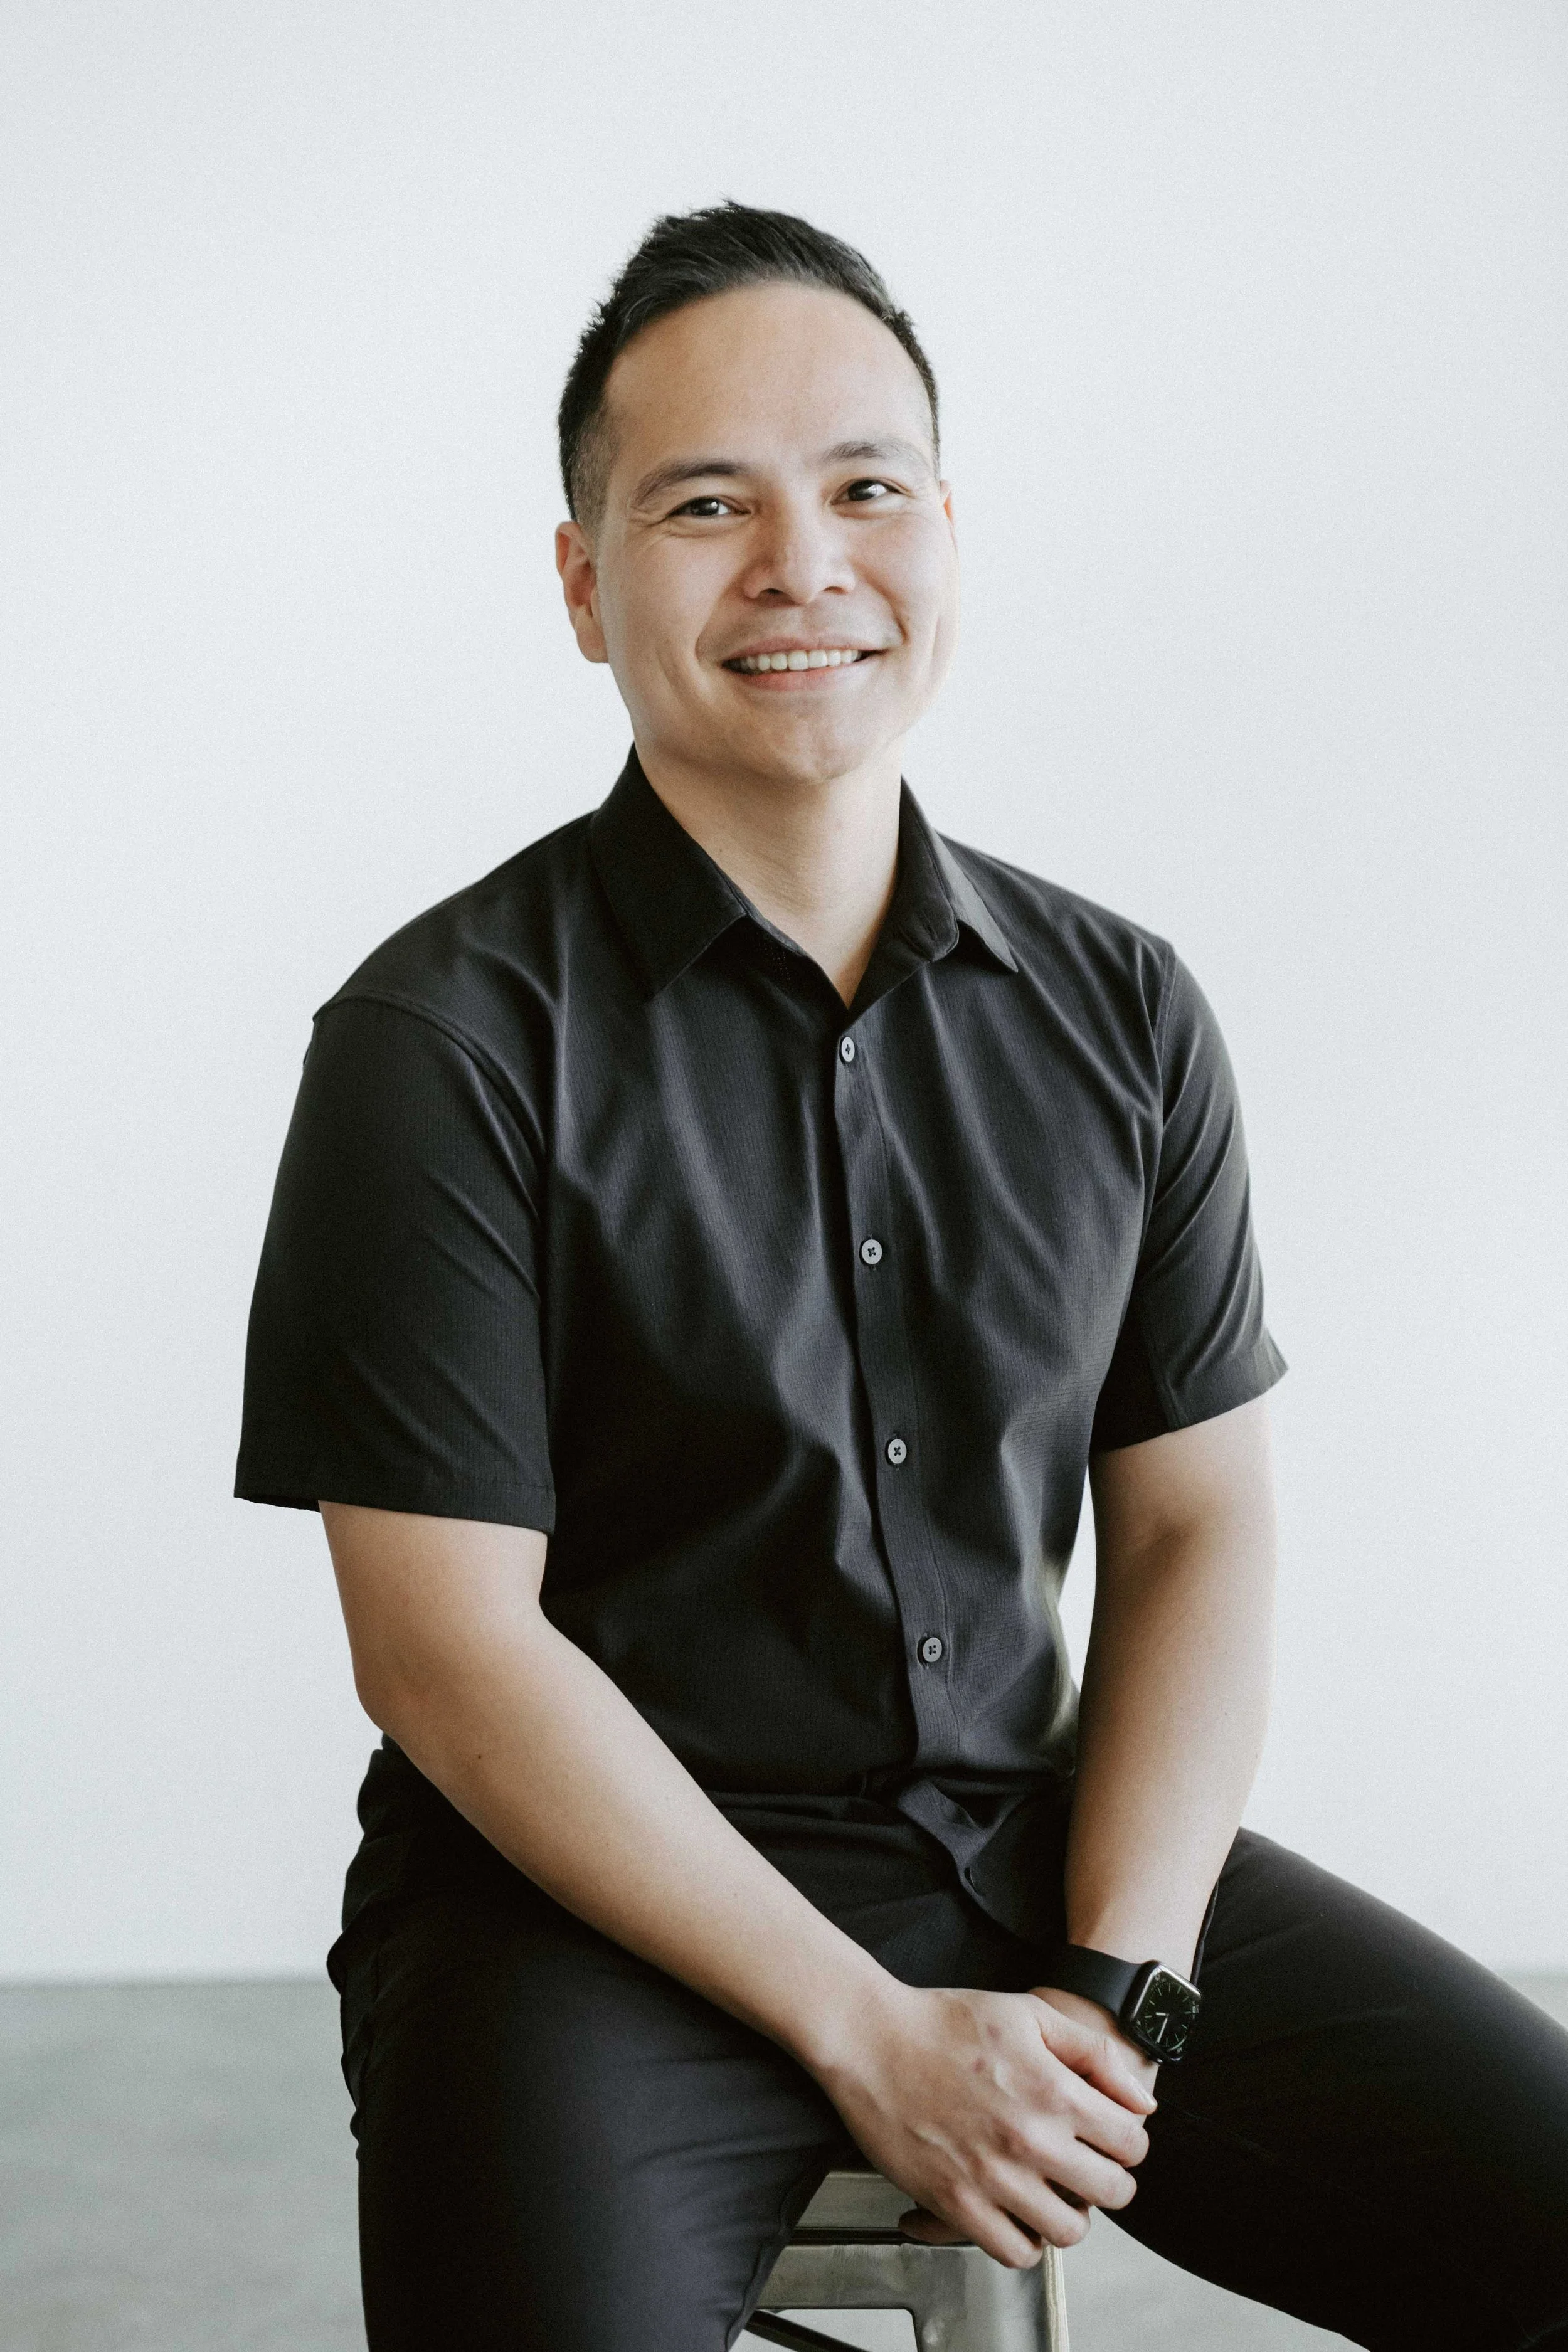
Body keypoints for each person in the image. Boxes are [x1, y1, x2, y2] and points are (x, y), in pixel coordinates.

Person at [236, 204, 1568, 2352]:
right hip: (582, 1904)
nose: (801, 562)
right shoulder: (439, 1038)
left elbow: (1195, 1516)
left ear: (945, 527)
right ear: (583, 583)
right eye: (702, 505)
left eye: (864, 489)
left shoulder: (1122, 1006)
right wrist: (868, 2025)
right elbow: (447, 1651)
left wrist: (1118, 1980)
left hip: (1031, 1851)